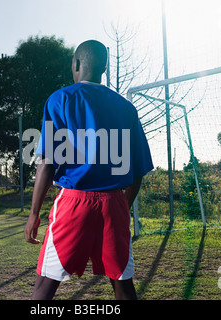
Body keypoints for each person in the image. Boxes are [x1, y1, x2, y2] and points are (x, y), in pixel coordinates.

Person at [24, 40, 154, 300]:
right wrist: (122, 207)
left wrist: (34, 213)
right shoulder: (126, 107)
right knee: (122, 282)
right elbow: (139, 170)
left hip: (74, 203)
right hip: (114, 202)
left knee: (44, 285)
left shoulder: (60, 99)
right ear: (103, 68)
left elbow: (47, 162)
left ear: (76, 63)